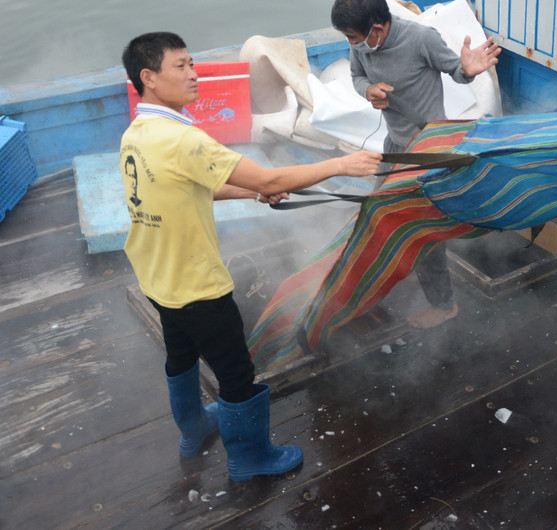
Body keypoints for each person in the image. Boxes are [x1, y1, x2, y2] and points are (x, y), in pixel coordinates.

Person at [119, 32, 381, 481]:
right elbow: (269, 176)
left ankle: (194, 429)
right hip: (197, 284)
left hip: (157, 276)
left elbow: (190, 185)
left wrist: (251, 193)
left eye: (192, 63)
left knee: (180, 358)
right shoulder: (185, 140)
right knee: (237, 372)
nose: (193, 74)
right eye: (180, 67)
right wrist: (341, 164)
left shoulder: (138, 133)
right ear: (150, 78)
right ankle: (249, 459)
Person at [331, 0, 500, 328]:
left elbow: (458, 71)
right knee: (380, 214)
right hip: (394, 149)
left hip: (427, 154)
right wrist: (369, 91)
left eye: (353, 37)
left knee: (423, 231)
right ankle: (405, 266)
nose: (351, 44)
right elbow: (356, 75)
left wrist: (468, 68)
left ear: (376, 29)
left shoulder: (421, 39)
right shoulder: (361, 46)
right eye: (348, 38)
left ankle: (444, 305)